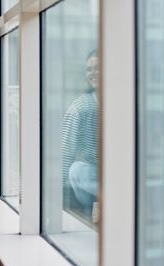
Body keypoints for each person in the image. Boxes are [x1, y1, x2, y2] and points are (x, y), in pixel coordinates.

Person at [62, 50, 99, 220]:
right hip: (93, 178)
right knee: (77, 170)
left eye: (98, 68)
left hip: (121, 174)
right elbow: (65, 153)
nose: (92, 73)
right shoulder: (80, 108)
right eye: (89, 69)